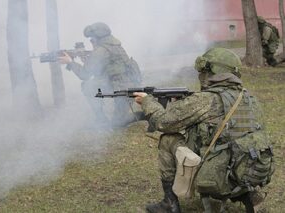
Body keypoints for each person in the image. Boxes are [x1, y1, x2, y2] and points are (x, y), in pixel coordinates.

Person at [134, 48, 274, 213]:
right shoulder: (248, 98)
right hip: (247, 172)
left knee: (167, 138)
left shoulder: (206, 100)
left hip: (220, 177)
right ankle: (247, 194)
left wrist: (147, 102)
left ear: (211, 72)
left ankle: (169, 203)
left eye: (203, 71)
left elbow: (163, 122)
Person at [59, 22, 142, 127]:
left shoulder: (101, 51)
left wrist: (70, 62)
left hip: (122, 90)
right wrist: (88, 60)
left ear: (97, 38)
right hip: (127, 85)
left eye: (92, 39)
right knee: (117, 123)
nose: (91, 42)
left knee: (87, 86)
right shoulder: (114, 46)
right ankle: (103, 119)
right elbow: (107, 68)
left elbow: (84, 75)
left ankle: (103, 120)